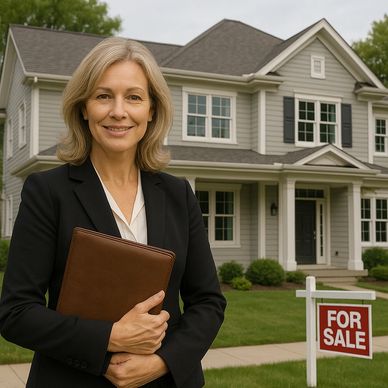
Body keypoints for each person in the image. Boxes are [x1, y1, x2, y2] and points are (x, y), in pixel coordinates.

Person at [0, 37, 226, 388]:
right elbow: (16, 313)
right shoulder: (47, 192)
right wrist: (109, 337)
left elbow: (208, 302)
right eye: (104, 96)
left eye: (134, 97)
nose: (118, 111)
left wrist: (162, 362)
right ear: (83, 108)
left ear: (151, 110)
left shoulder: (178, 193)